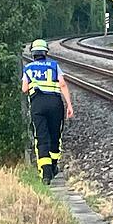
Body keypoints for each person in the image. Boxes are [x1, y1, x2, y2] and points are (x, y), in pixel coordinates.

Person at [22, 39, 75, 184]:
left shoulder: (28, 68)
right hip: (55, 104)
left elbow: (24, 89)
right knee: (55, 136)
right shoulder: (54, 66)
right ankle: (53, 166)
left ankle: (46, 174)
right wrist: (69, 105)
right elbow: (63, 84)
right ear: (46, 52)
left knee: (41, 137)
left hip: (38, 105)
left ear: (33, 53)